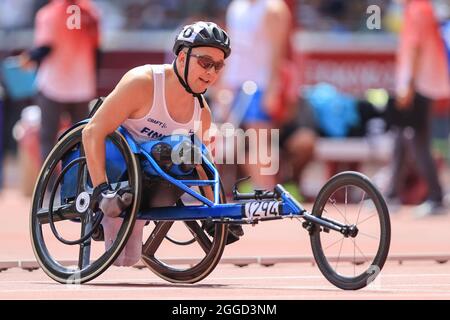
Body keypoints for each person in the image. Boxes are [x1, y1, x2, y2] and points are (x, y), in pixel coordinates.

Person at [82, 21, 243, 267]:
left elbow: (204, 166)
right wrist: (101, 190)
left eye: (218, 66)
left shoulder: (202, 112)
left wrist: (216, 213)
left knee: (188, 151)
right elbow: (92, 131)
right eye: (205, 63)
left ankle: (135, 219)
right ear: (181, 58)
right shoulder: (143, 82)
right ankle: (112, 216)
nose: (211, 72)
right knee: (173, 148)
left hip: (151, 182)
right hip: (115, 168)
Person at [217, 0, 316, 194]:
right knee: (238, 142)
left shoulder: (273, 8)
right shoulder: (236, 7)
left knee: (260, 141)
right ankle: (258, 191)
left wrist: (271, 89)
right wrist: (224, 87)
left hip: (259, 85)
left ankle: (267, 192)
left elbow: (277, 52)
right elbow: (230, 50)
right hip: (235, 85)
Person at [386, 0, 450, 217]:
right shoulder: (421, 9)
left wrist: (408, 86)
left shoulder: (417, 10)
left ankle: (435, 196)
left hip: (419, 85)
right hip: (420, 84)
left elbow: (415, 48)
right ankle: (392, 194)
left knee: (417, 140)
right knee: (402, 138)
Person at [19, 0, 100, 162]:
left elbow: (45, 47)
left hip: (53, 85)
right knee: (82, 138)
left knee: (48, 138)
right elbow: (98, 50)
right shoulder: (91, 13)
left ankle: (49, 185)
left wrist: (28, 58)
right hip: (82, 85)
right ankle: (78, 183)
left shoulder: (48, 13)